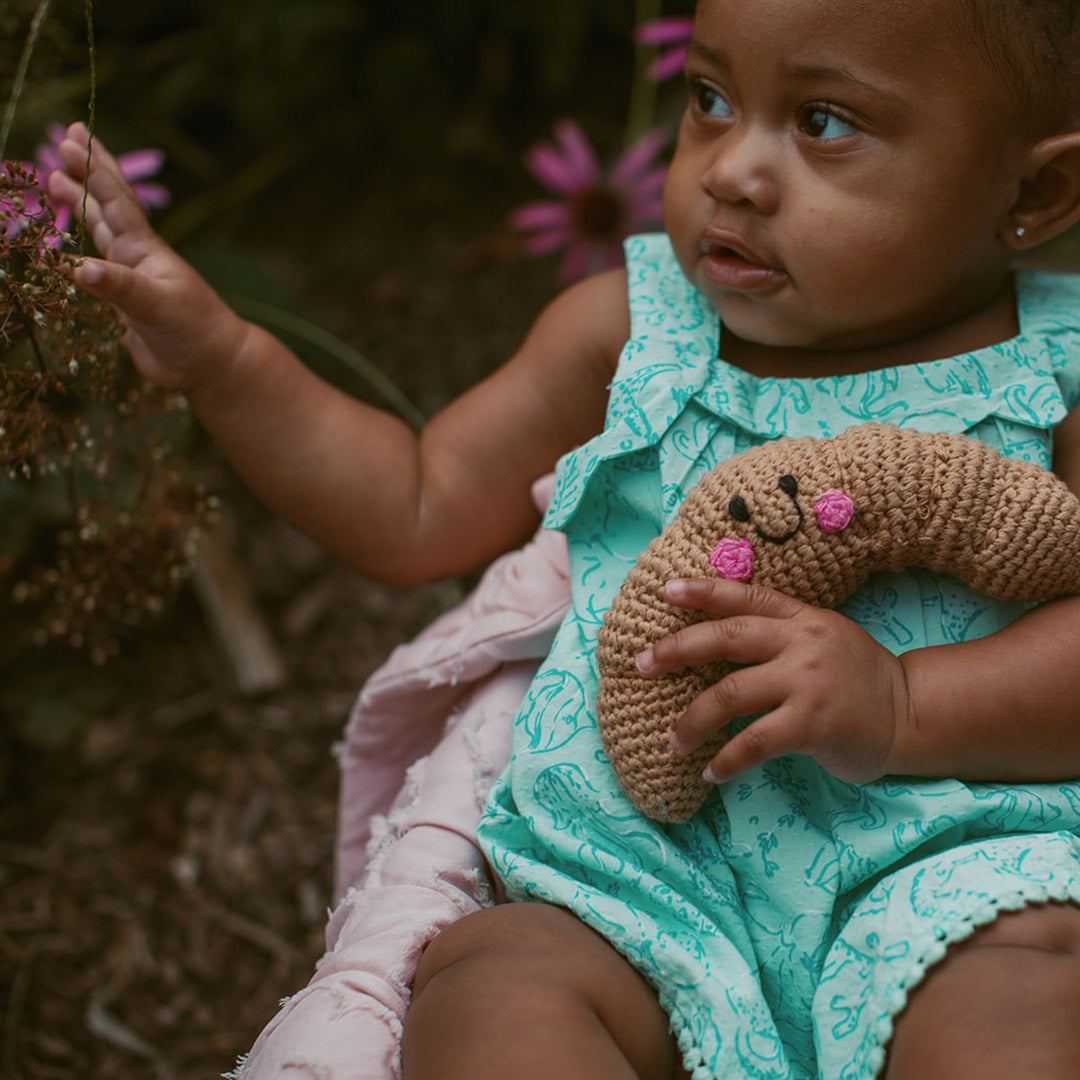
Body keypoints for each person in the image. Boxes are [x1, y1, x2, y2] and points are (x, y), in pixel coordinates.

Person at [48, 0, 1080, 1075]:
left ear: (1035, 190)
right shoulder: (636, 331)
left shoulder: (1054, 372)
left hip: (952, 861)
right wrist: (221, 357)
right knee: (493, 983)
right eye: (710, 100)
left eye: (823, 122)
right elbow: (416, 502)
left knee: (1021, 1003)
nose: (731, 170)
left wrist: (905, 704)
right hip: (641, 875)